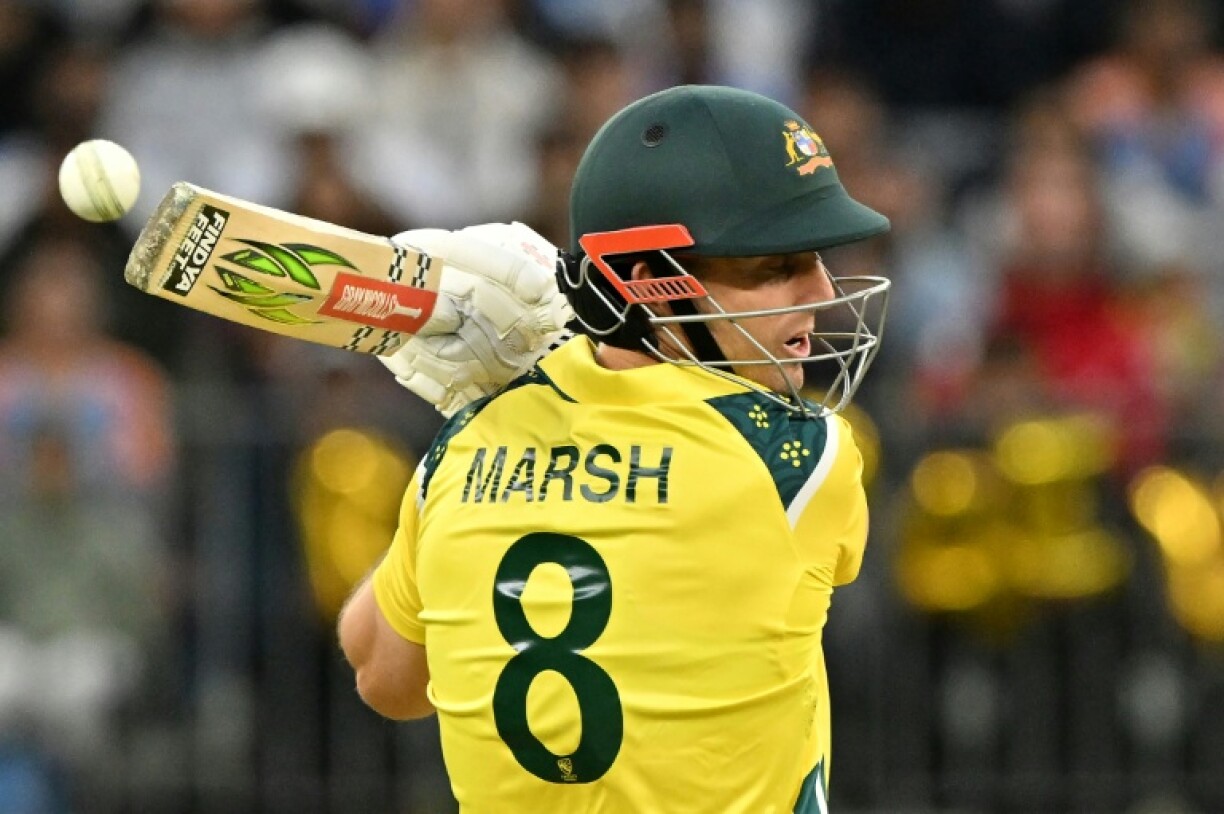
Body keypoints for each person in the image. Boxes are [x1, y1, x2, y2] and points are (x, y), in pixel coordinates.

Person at [339, 84, 892, 813]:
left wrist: (484, 412)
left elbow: (383, 674)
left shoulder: (462, 453)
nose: (819, 292)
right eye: (770, 268)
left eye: (814, 258)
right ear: (651, 287)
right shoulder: (802, 459)